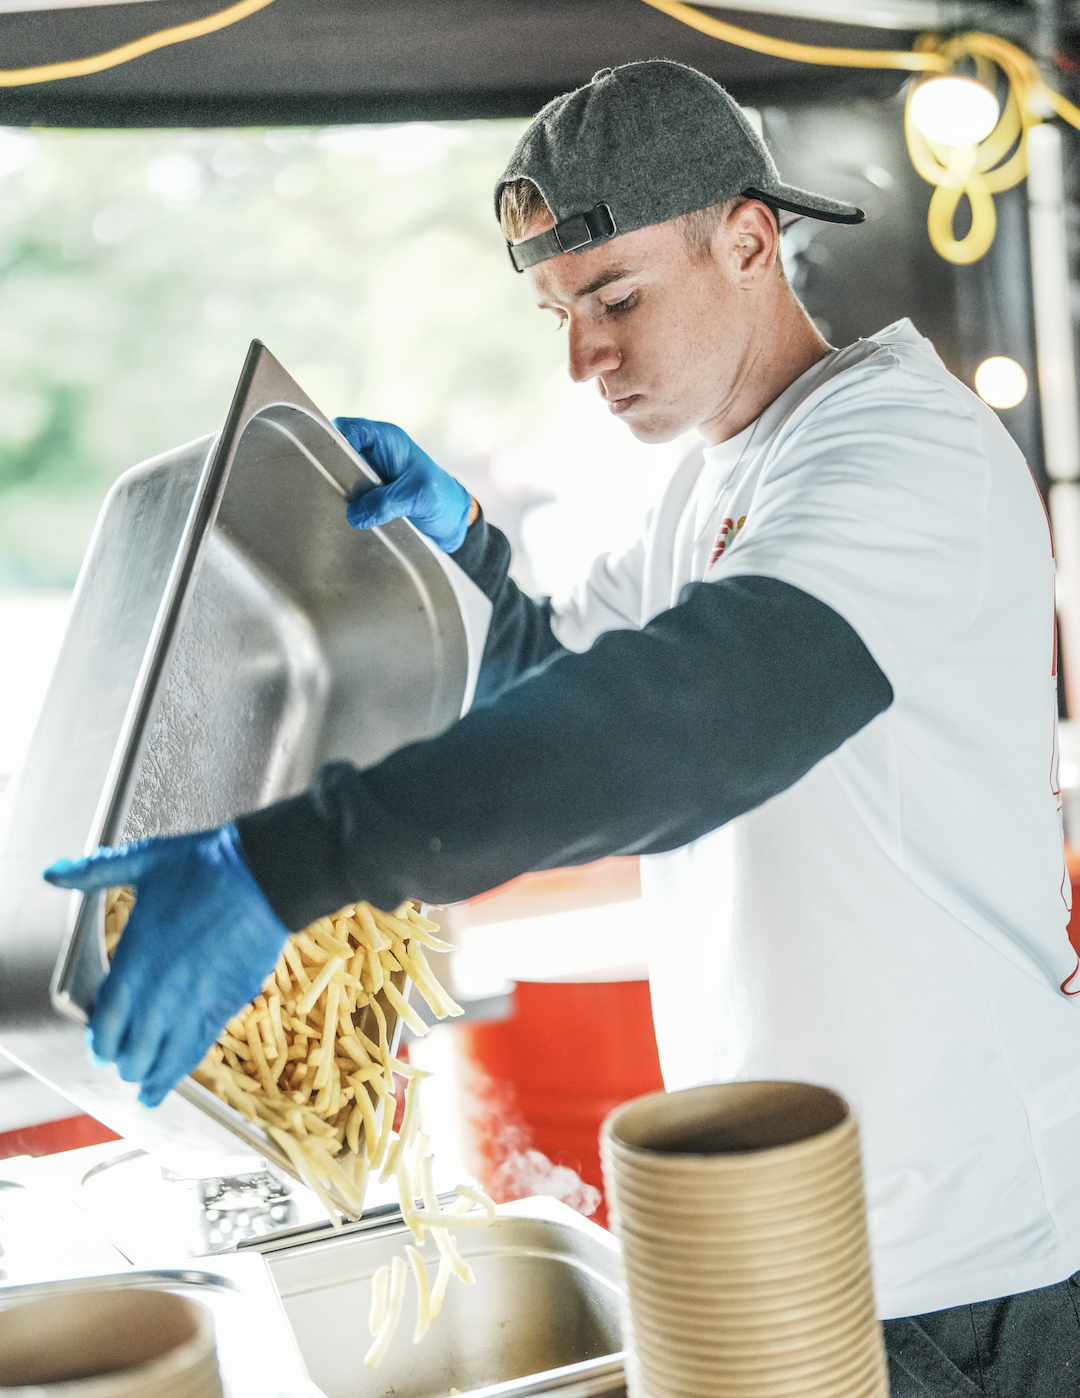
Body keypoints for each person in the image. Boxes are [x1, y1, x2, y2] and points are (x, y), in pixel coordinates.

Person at [46, 60, 1080, 1396]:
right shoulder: (711, 479)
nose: (583, 355)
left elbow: (686, 726)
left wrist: (280, 865)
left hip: (971, 1256)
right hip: (794, 1225)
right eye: (556, 309)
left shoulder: (899, 451)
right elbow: (561, 675)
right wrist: (464, 549)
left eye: (615, 296)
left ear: (752, 240)